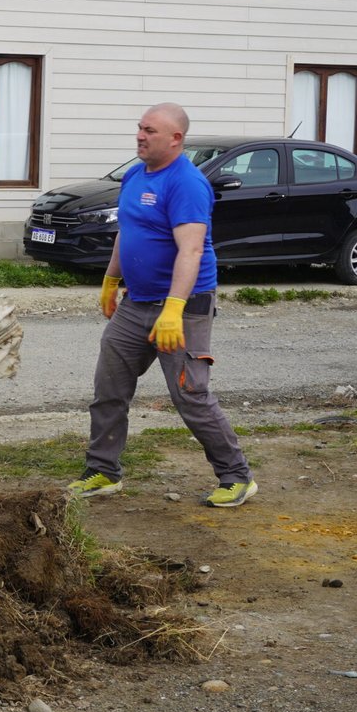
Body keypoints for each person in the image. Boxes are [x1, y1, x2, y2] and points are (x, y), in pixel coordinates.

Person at [69, 102, 257, 508]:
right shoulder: (135, 175)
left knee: (191, 395)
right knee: (109, 387)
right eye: (139, 128)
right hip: (136, 303)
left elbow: (190, 251)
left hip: (183, 307)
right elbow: (128, 232)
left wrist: (174, 309)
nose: (140, 135)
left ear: (176, 139)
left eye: (150, 130)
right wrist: (110, 279)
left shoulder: (186, 184)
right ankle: (102, 471)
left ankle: (237, 476)